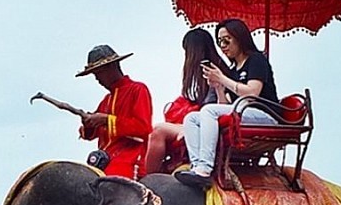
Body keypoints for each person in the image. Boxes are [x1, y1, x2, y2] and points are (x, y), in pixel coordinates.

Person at [174, 18, 279, 190]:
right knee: (192, 118)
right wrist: (219, 88)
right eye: (219, 41)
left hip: (265, 115)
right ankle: (197, 164)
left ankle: (205, 169)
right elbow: (225, 106)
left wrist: (222, 78)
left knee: (208, 110)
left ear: (239, 38)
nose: (223, 46)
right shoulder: (233, 69)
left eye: (226, 40)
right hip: (243, 113)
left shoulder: (257, 60)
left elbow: (252, 92)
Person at [144, 28, 228, 175]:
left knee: (158, 131)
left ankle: (148, 178)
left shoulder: (214, 71)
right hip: (201, 120)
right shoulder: (213, 69)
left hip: (206, 122)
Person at [76, 44, 153, 179]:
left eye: (99, 73)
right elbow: (91, 134)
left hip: (129, 162)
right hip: (103, 162)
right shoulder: (106, 100)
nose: (97, 79)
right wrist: (88, 123)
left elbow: (143, 128)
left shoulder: (138, 89)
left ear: (112, 67)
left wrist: (106, 120)